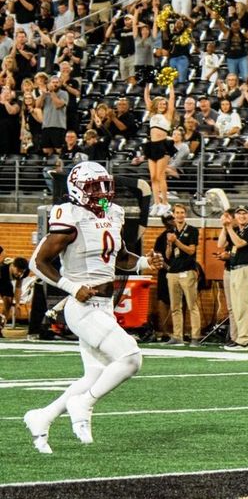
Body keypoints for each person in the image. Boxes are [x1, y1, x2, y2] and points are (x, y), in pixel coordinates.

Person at [23, 162, 164, 454]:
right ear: (77, 189)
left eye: (104, 186)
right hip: (82, 306)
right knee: (130, 358)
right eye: (94, 187)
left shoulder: (113, 213)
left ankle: (42, 417)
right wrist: (73, 287)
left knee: (94, 375)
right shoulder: (69, 215)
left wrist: (144, 263)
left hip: (104, 305)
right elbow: (37, 262)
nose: (102, 193)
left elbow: (119, 256)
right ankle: (83, 403)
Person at [219, 206, 248, 351]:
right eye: (239, 214)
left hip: (245, 269)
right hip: (234, 269)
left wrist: (229, 227)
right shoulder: (236, 229)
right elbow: (220, 244)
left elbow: (240, 243)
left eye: (245, 214)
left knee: (242, 305)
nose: (242, 216)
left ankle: (243, 340)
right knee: (235, 307)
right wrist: (225, 227)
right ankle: (237, 338)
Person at [163, 203, 201, 347]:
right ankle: (177, 336)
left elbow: (191, 251)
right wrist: (169, 244)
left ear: (185, 214)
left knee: (192, 305)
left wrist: (176, 241)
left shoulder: (192, 231)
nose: (179, 215)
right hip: (173, 272)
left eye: (182, 212)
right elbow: (167, 256)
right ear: (173, 215)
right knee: (175, 306)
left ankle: (195, 337)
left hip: (187, 271)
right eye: (177, 212)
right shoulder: (171, 231)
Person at [141, 83, 176, 217]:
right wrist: (147, 85)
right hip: (152, 145)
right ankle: (156, 203)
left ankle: (165, 203)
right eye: (160, 104)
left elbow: (172, 101)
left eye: (164, 104)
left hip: (163, 145)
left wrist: (171, 86)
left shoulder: (168, 115)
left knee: (161, 176)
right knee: (153, 177)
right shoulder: (152, 114)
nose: (163, 106)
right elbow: (147, 99)